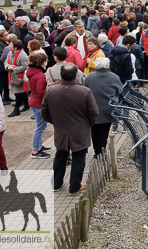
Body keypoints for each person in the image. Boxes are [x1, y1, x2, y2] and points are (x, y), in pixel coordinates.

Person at [42, 64, 98, 195]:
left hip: (61, 130)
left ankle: (56, 184)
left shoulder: (51, 91)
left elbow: (44, 113)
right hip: (80, 130)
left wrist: (56, 122)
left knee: (60, 156)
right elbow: (94, 113)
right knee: (79, 158)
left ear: (61, 75)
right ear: (77, 75)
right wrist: (88, 124)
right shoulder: (85, 91)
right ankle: (74, 187)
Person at [84, 58, 123, 158]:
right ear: (107, 66)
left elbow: (85, 90)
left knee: (94, 131)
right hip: (108, 109)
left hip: (92, 109)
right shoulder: (114, 77)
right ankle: (102, 149)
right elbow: (120, 91)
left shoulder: (89, 77)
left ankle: (97, 150)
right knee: (104, 131)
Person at [26, 52, 51, 159]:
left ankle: (39, 145)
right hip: (38, 104)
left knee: (40, 125)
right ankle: (36, 150)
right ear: (42, 63)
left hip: (34, 101)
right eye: (46, 61)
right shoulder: (40, 75)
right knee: (40, 127)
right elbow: (42, 92)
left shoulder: (32, 72)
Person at [5, 40, 29, 117]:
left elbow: (25, 66)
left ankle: (16, 109)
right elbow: (6, 61)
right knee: (21, 92)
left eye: (10, 44)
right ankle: (26, 104)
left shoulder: (22, 55)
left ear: (15, 47)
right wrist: (8, 66)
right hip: (12, 76)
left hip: (19, 77)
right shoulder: (10, 53)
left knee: (18, 93)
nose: (8, 45)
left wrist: (14, 69)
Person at [0, 30, 12, 104]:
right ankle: (0, 98)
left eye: (7, 34)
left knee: (7, 83)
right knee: (1, 83)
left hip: (6, 67)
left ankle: (6, 97)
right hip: (0, 67)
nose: (7, 36)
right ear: (0, 37)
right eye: (5, 35)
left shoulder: (6, 43)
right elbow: (2, 55)